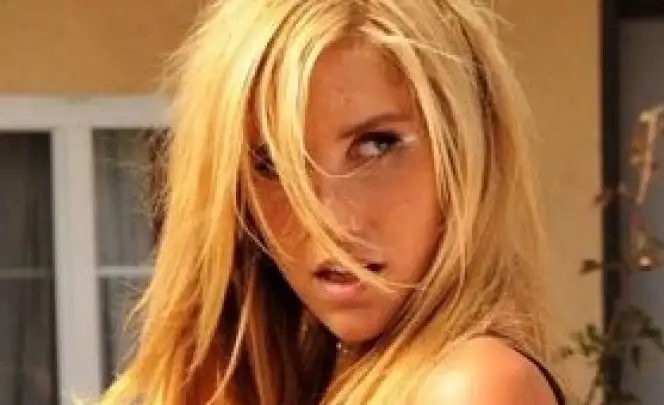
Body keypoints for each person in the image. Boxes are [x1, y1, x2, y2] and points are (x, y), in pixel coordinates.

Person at [101, 0, 565, 404]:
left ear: (469, 151)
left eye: (377, 145)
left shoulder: (471, 387)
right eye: (273, 163)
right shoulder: (305, 375)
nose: (328, 219)